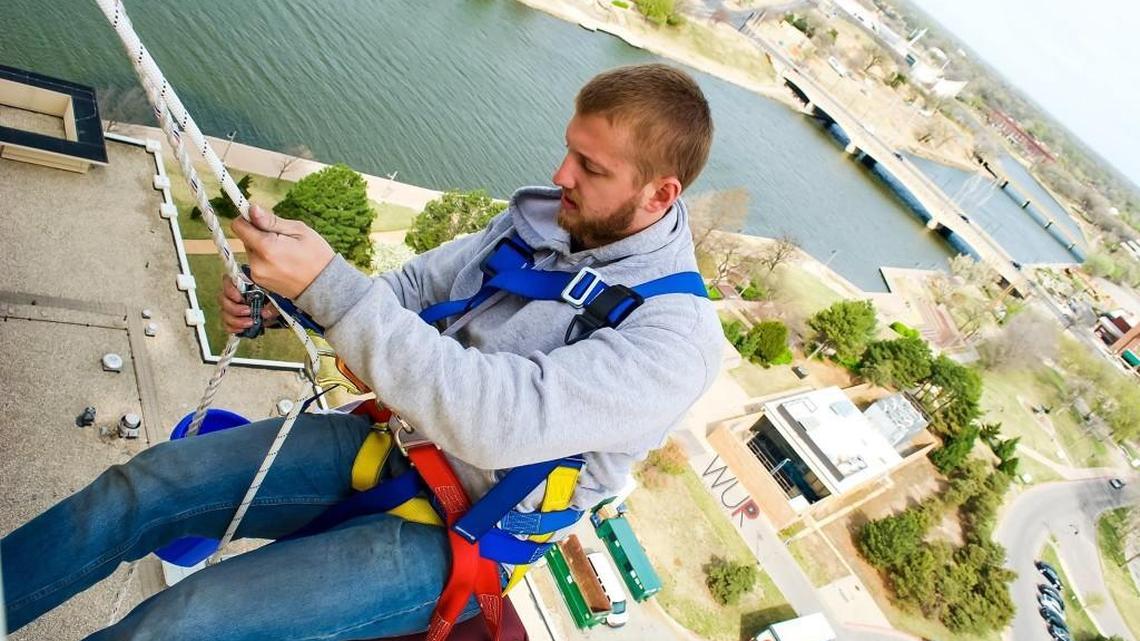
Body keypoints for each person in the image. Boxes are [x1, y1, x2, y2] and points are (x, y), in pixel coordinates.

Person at [2, 63, 722, 641]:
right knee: (140, 488)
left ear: (659, 195)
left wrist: (332, 288)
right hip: (387, 441)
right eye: (568, 149)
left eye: (590, 167)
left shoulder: (672, 340)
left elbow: (494, 419)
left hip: (466, 533)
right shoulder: (544, 222)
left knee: (182, 625)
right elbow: (413, 289)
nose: (562, 174)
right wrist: (290, 302)